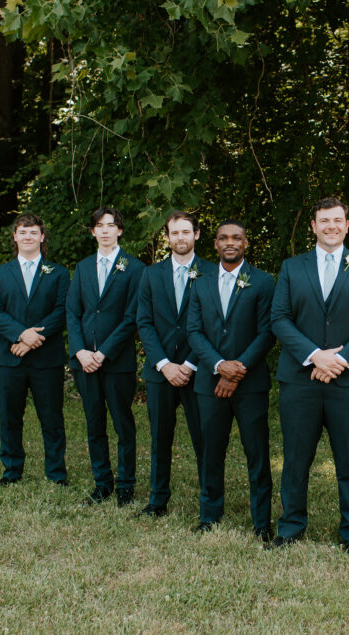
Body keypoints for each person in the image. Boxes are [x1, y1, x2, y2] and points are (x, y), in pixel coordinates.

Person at [268, 197, 349, 552]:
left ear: (347, 225)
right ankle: (290, 527)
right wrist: (314, 356)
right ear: (314, 226)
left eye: (338, 220)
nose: (331, 226)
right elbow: (280, 318)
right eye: (324, 220)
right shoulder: (293, 267)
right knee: (295, 458)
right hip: (300, 379)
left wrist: (341, 359)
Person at [186, 220, 276, 540]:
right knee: (210, 450)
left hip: (250, 385)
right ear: (215, 244)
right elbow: (194, 331)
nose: (230, 242)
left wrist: (238, 370)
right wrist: (219, 365)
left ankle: (262, 522)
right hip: (209, 383)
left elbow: (268, 332)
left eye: (236, 237)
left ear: (246, 243)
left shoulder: (264, 282)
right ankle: (210, 515)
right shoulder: (199, 282)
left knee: (257, 453)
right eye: (223, 238)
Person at [136, 211, 217, 517]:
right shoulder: (151, 274)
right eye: (174, 233)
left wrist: (190, 363)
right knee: (160, 438)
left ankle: (209, 504)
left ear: (196, 235)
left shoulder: (212, 272)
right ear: (167, 238)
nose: (180, 237)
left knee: (204, 439)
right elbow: (144, 323)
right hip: (161, 372)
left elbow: (214, 323)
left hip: (198, 370)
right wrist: (164, 364)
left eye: (186, 232)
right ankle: (157, 501)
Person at [66, 207, 144, 508]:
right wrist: (81, 351)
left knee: (123, 424)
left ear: (120, 231)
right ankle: (102, 483)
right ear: (93, 232)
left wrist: (103, 352)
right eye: (99, 226)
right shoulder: (83, 267)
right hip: (83, 361)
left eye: (111, 225)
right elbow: (72, 311)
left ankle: (126, 486)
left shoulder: (134, 268)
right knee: (93, 422)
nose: (105, 230)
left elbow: (131, 318)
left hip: (117, 361)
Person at [0, 213, 69, 486]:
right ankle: (11, 472)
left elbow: (62, 310)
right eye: (23, 232)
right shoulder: (0, 273)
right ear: (15, 237)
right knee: (10, 417)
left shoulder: (58, 273)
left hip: (47, 358)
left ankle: (56, 473)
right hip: (9, 357)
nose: (28, 237)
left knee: (52, 418)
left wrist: (33, 339)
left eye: (34, 232)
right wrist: (21, 335)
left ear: (42, 237)